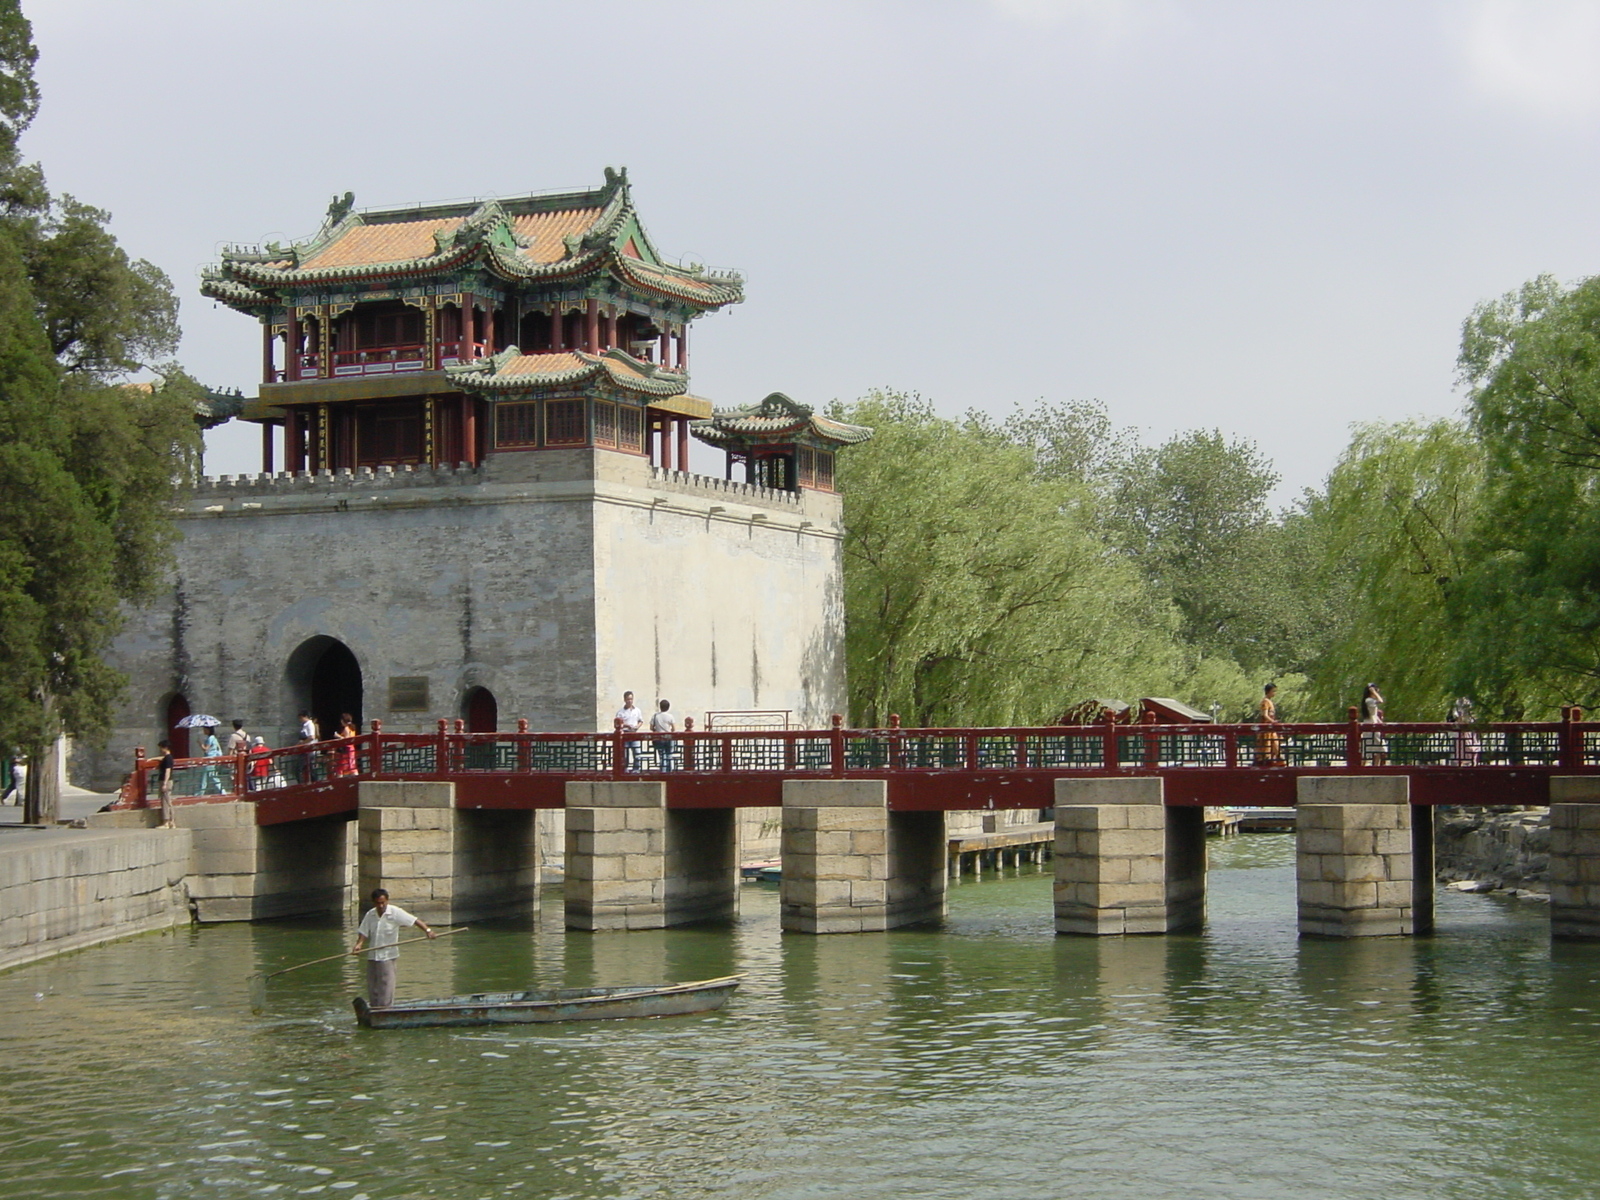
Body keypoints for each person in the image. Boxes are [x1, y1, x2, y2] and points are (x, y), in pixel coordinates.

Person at [350, 887, 435, 1009]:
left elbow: (414, 920)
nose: (381, 906)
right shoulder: (371, 914)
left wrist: (428, 930)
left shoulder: (395, 912)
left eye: (383, 902)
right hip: (373, 955)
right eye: (378, 903)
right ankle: (374, 1008)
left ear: (387, 901)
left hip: (388, 956)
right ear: (374, 902)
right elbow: (364, 931)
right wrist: (359, 944)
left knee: (386, 984)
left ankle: (385, 1009)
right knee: (372, 984)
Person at [1256, 683, 1284, 767]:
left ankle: (1276, 762)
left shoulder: (1270, 701)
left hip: (1271, 728)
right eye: (1273, 691)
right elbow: (1265, 715)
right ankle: (1267, 763)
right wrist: (1273, 721)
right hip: (1267, 729)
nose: (1274, 693)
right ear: (1268, 691)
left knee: (1276, 745)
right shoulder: (1265, 701)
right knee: (1267, 747)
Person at [615, 690, 644, 770]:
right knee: (625, 753)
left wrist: (637, 726)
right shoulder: (620, 712)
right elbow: (617, 724)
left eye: (631, 699)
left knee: (637, 753)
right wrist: (626, 725)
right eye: (628, 699)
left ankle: (636, 769)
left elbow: (641, 721)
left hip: (634, 733)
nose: (630, 701)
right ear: (624, 700)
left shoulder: (637, 710)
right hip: (625, 733)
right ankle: (625, 769)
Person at [1450, 696, 1481, 767]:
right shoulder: (1457, 702)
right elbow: (1455, 715)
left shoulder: (1467, 702)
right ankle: (1462, 762)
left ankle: (1470, 762)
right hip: (1462, 729)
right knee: (1461, 746)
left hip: (1468, 728)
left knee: (1470, 745)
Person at [1362, 683, 1388, 766]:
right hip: (1370, 726)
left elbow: (1375, 715)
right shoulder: (1368, 700)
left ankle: (1375, 767)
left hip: (1373, 724)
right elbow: (1381, 700)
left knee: (1377, 748)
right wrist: (1374, 692)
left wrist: (1381, 723)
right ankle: (1363, 768)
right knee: (1371, 747)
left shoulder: (1369, 700)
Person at [650, 699, 677, 770]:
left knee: (662, 756)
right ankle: (670, 771)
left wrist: (656, 730)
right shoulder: (670, 716)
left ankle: (663, 771)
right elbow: (674, 729)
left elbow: (651, 727)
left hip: (659, 738)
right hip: (669, 737)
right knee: (669, 755)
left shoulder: (655, 716)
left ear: (660, 707)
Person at [200, 725, 225, 794]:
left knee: (206, 776)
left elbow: (206, 749)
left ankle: (201, 792)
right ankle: (222, 791)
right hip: (212, 759)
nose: (204, 731)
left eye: (205, 729)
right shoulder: (213, 738)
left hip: (209, 759)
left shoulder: (210, 738)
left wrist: (200, 743)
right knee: (212, 776)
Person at [154, 740, 174, 826]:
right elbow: (161, 758)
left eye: (161, 748)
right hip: (167, 781)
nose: (160, 750)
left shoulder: (168, 758)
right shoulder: (168, 757)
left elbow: (167, 771)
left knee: (166, 802)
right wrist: (152, 759)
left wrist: (165, 783)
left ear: (165, 748)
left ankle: (167, 822)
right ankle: (171, 822)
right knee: (167, 801)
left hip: (166, 781)